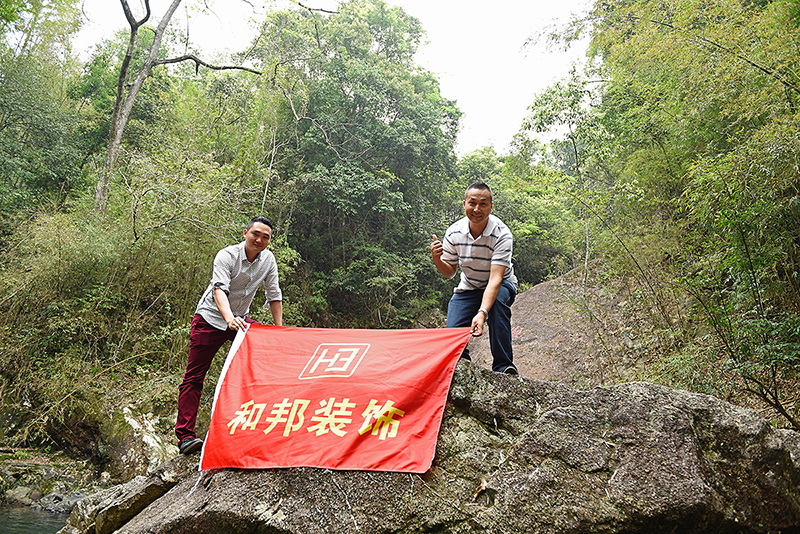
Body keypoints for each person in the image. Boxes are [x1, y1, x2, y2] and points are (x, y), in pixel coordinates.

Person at [175, 216, 283, 454]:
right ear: (245, 233)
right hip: (210, 319)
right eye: (255, 234)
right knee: (194, 377)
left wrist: (280, 331)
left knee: (264, 357)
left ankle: (256, 428)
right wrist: (228, 319)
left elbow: (274, 294)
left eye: (265, 237)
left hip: (240, 320)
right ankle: (185, 437)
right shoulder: (227, 256)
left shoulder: (268, 259)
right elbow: (219, 290)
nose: (259, 240)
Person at [430, 181, 518, 375]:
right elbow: (449, 273)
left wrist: (482, 312)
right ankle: (462, 365)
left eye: (483, 204)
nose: (477, 209)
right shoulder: (454, 232)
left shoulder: (502, 234)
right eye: (472, 203)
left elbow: (495, 279)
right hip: (469, 286)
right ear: (464, 204)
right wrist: (437, 259)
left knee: (497, 303)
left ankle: (503, 366)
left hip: (501, 284)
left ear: (491, 207)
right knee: (452, 334)